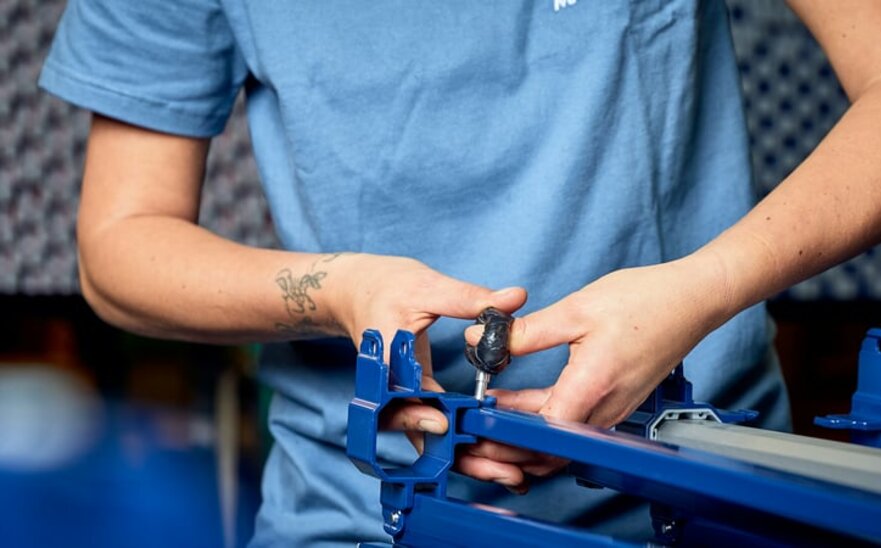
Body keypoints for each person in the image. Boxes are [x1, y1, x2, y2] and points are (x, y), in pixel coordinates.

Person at [39, 0, 881, 545]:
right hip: (360, 512)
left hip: (703, 495)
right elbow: (121, 248)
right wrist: (342, 293)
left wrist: (702, 288)